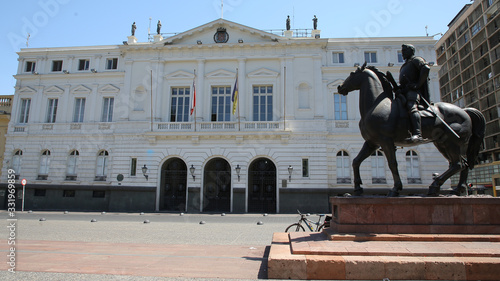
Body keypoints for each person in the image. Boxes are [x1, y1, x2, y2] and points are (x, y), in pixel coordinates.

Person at [398, 44, 431, 142]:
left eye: (404, 51)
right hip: (405, 92)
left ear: (411, 51)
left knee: (411, 106)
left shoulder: (416, 60)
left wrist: (417, 84)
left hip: (414, 92)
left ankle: (418, 133)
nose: (402, 53)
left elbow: (426, 69)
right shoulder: (404, 66)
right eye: (402, 51)